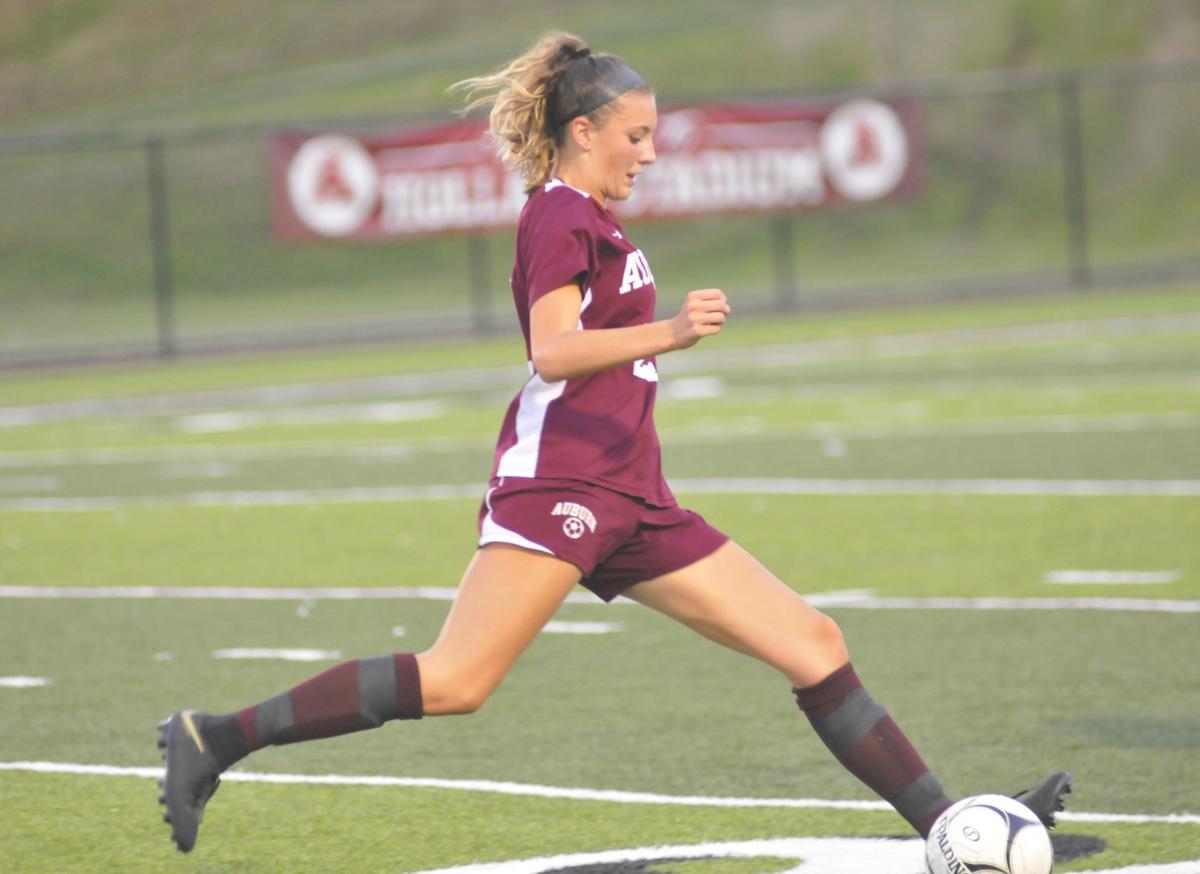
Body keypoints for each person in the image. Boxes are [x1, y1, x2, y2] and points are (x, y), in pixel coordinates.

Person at [157, 31, 1071, 854]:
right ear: (585, 130)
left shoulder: (596, 218)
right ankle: (217, 737)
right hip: (561, 484)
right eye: (636, 135)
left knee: (811, 641)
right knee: (458, 679)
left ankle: (959, 830)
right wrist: (670, 333)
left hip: (634, 497)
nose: (649, 151)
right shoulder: (557, 213)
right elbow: (552, 351)